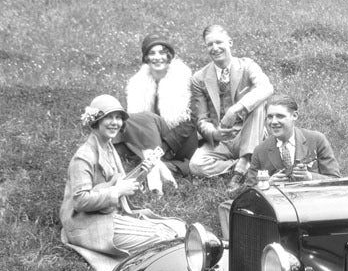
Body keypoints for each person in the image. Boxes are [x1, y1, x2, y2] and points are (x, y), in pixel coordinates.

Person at [60, 95, 186, 256]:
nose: (115, 123)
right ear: (95, 121)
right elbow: (80, 201)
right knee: (164, 237)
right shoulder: (83, 157)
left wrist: (143, 172)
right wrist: (117, 191)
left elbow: (118, 183)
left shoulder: (109, 148)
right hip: (88, 226)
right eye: (109, 117)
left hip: (108, 216)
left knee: (178, 227)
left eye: (118, 118)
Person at [188, 24, 274, 185]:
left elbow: (266, 87)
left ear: (230, 43)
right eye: (210, 44)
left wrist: (235, 109)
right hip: (223, 140)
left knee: (258, 103)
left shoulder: (247, 66)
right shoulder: (199, 78)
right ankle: (243, 166)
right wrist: (214, 134)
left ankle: (246, 159)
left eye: (219, 42)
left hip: (248, 133)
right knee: (196, 166)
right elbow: (201, 119)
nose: (215, 48)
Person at [121, 33, 198, 176]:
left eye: (162, 52)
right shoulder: (136, 83)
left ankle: (168, 164)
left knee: (147, 118)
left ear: (169, 56)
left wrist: (165, 146)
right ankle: (163, 165)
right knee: (122, 127)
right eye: (152, 53)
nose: (157, 57)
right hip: (152, 139)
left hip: (180, 141)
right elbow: (132, 119)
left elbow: (192, 120)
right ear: (146, 58)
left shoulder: (184, 78)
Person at [232, 95, 340, 197]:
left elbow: (336, 181)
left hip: (312, 205)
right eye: (270, 117)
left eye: (280, 116)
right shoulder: (260, 151)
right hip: (278, 210)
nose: (273, 122)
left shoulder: (316, 140)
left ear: (294, 116)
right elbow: (248, 192)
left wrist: (310, 177)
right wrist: (268, 183)